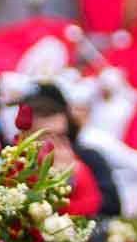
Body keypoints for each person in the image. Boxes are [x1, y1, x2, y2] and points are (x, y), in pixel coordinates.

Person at [20, 83, 121, 218]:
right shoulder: (13, 164)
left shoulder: (84, 160)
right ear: (27, 136)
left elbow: (106, 206)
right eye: (46, 136)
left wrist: (69, 179)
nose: (55, 143)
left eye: (61, 135)